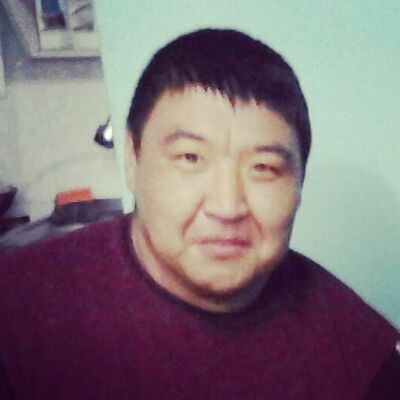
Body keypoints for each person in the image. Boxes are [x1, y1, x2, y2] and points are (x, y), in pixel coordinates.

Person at [0, 28, 398, 399]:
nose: (227, 207)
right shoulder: (18, 312)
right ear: (133, 160)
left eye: (263, 168)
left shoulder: (363, 355)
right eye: (190, 158)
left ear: (298, 186)